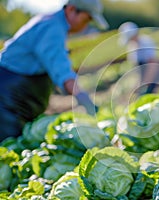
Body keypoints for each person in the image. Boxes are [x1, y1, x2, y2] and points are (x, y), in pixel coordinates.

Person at [0, 0, 109, 141]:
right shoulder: (52, 29)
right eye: (87, 18)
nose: (86, 25)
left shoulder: (51, 23)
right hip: (7, 100)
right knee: (6, 149)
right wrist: (85, 101)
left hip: (15, 99)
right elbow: (62, 72)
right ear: (71, 10)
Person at [118, 22, 159, 95]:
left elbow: (153, 65)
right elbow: (136, 68)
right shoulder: (131, 47)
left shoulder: (146, 43)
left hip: (152, 78)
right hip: (142, 80)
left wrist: (145, 84)